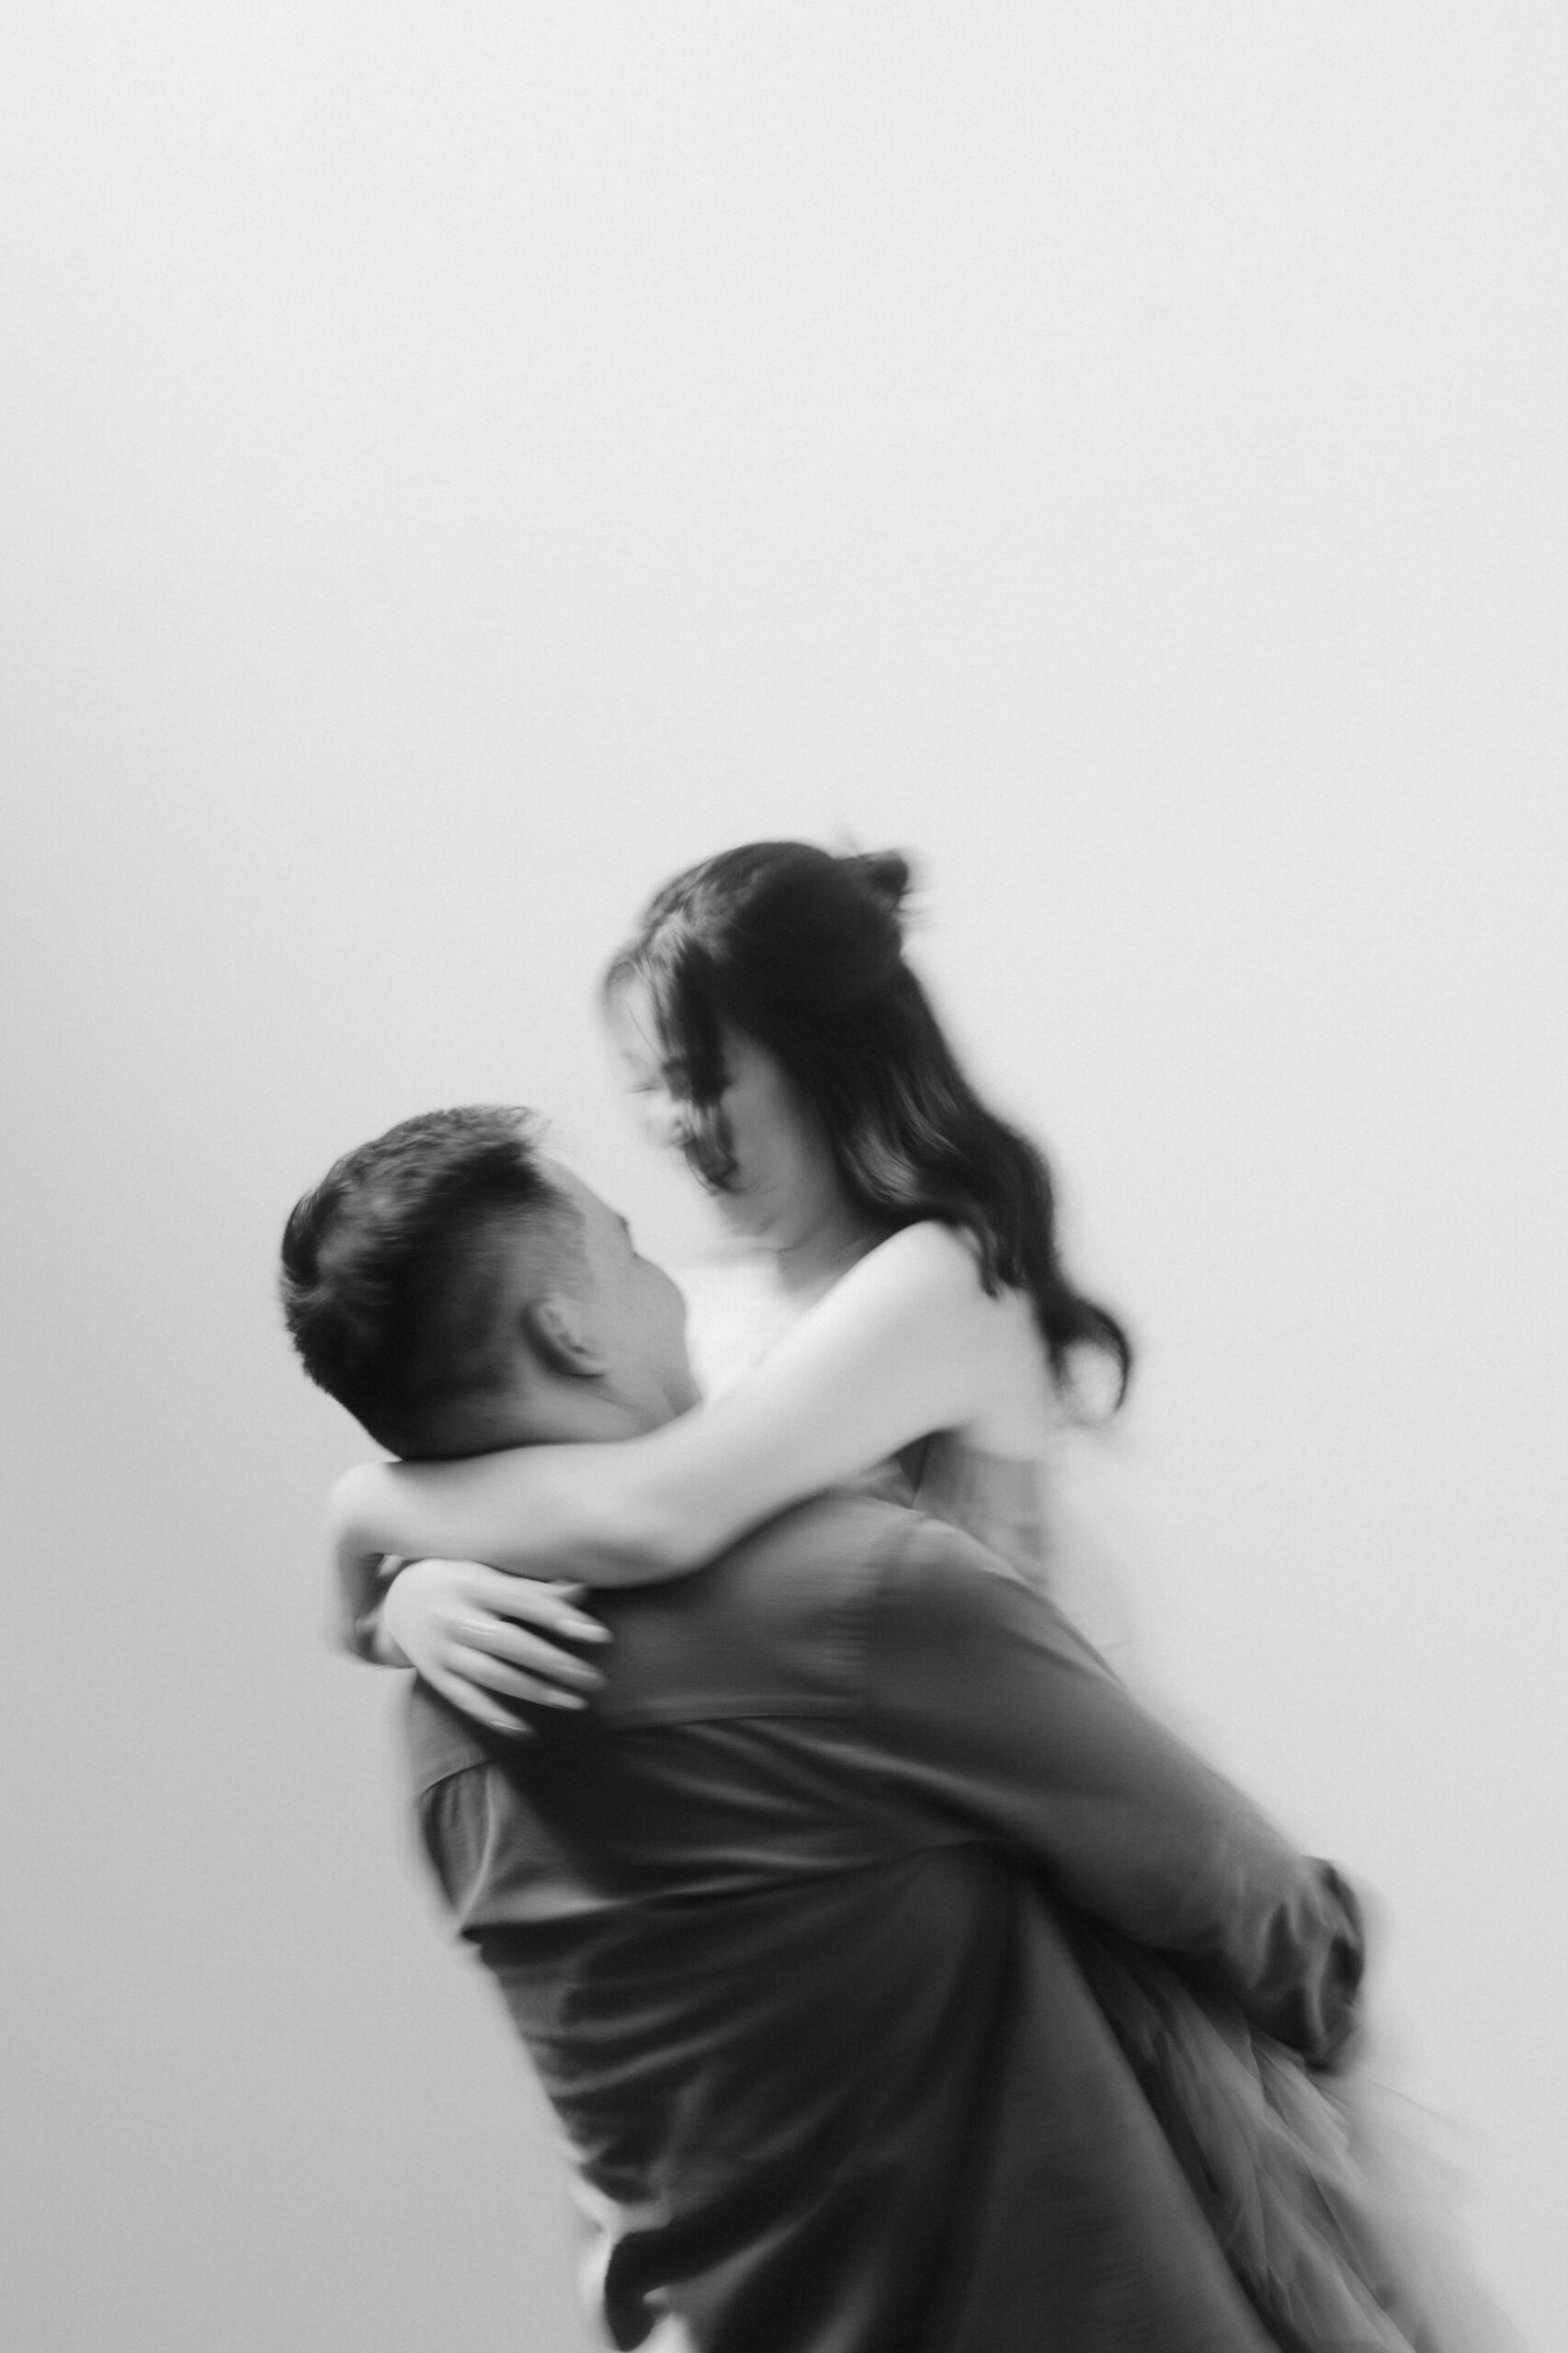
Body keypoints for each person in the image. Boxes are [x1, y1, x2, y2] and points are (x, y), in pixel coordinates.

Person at [325, 842, 1519, 2350]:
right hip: (887, 1906)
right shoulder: (721, 1313)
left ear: (823, 1054)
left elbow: (648, 1515)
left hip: (1079, 1888)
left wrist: (373, 1521)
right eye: (648, 1090)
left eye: (703, 1077)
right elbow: (612, 1521)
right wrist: (413, 1593)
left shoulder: (933, 1284)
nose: (675, 1126)